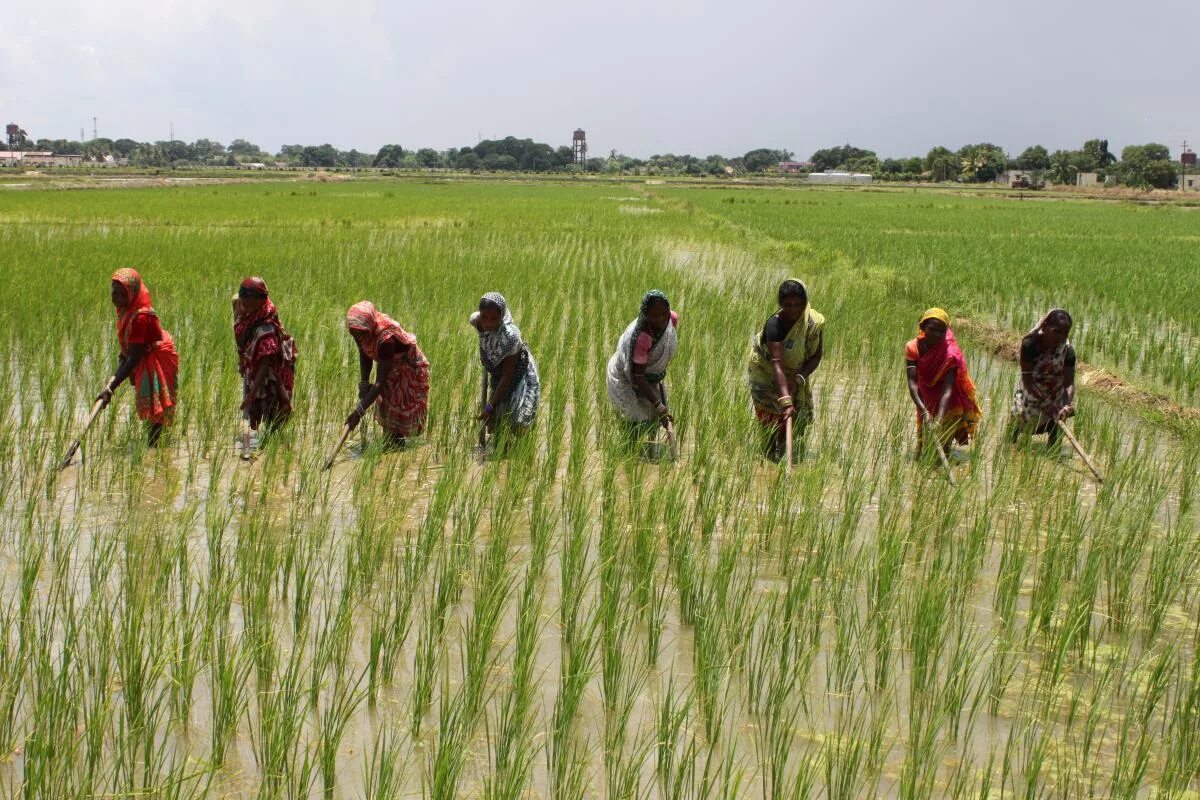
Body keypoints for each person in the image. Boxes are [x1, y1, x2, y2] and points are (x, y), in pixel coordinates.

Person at [97, 268, 179, 447]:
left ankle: (155, 452)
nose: (116, 297)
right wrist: (110, 387)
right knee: (151, 414)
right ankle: (156, 447)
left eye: (122, 294)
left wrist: (111, 387)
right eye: (114, 292)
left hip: (156, 358)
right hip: (142, 355)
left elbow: (133, 357)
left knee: (155, 413)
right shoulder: (125, 310)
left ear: (132, 293)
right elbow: (126, 353)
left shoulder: (141, 317)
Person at [747, 278, 824, 460]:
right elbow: (776, 362)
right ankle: (766, 460)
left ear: (805, 303)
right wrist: (785, 399)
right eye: (787, 305)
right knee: (770, 425)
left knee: (789, 426)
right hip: (765, 371)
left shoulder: (813, 323)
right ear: (781, 304)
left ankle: (782, 457)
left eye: (798, 304)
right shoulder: (774, 325)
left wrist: (798, 379)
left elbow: (816, 356)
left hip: (794, 374)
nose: (793, 310)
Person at [344, 301, 430, 446]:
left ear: (369, 327)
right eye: (354, 332)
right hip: (390, 365)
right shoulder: (359, 329)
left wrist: (358, 412)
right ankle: (391, 446)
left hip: (408, 367)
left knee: (395, 412)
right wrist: (364, 383)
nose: (358, 336)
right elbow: (364, 352)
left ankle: (394, 447)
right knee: (387, 410)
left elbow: (379, 383)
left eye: (361, 333)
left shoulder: (386, 340)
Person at [904, 308, 981, 458]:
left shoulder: (950, 353)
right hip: (925, 396)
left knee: (942, 446)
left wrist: (938, 419)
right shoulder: (912, 347)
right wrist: (924, 410)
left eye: (941, 331)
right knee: (924, 445)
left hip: (948, 400)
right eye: (932, 329)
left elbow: (947, 390)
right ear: (923, 327)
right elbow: (912, 384)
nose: (936, 335)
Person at [606, 290, 679, 443]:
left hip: (648, 376)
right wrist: (659, 405)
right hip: (626, 377)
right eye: (654, 316)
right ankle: (628, 452)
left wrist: (658, 407)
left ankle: (647, 452)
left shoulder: (672, 318)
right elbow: (637, 377)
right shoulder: (642, 338)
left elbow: (665, 345)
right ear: (646, 315)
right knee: (633, 423)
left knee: (653, 417)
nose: (660, 319)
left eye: (663, 314)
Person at [470, 292, 540, 444]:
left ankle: (521, 450)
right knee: (498, 422)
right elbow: (485, 340)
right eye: (485, 318)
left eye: (494, 319)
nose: (488, 323)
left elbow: (508, 376)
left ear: (501, 317)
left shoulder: (510, 337)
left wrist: (489, 407)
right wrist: (486, 357)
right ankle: (502, 446)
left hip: (518, 372)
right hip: (497, 371)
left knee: (518, 418)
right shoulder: (477, 321)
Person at [232, 277, 296, 437]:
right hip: (254, 370)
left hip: (272, 376)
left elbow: (265, 364)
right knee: (254, 416)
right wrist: (242, 363)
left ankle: (275, 447)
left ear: (259, 300)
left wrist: (251, 395)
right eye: (242, 300)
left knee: (274, 418)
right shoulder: (246, 311)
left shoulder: (266, 327)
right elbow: (242, 343)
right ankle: (256, 446)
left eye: (247, 301)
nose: (243, 304)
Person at [1009, 308, 1076, 446]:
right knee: (1012, 436)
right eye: (1056, 332)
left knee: (1055, 439)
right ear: (1045, 327)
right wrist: (1046, 404)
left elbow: (1069, 383)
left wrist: (1065, 405)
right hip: (1031, 393)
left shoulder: (1067, 351)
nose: (1061, 337)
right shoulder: (1030, 345)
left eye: (1065, 333)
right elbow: (1028, 380)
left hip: (1055, 396)